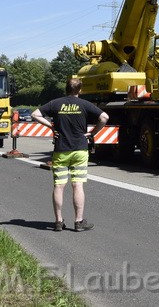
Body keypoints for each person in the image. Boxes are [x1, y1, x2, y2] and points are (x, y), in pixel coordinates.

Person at [32, 78, 108, 232]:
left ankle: (58, 222)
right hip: (80, 149)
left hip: (61, 150)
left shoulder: (55, 103)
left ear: (65, 89)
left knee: (59, 186)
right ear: (80, 90)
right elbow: (104, 117)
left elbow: (35, 114)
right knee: (77, 185)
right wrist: (92, 133)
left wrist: (52, 126)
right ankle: (79, 222)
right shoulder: (85, 104)